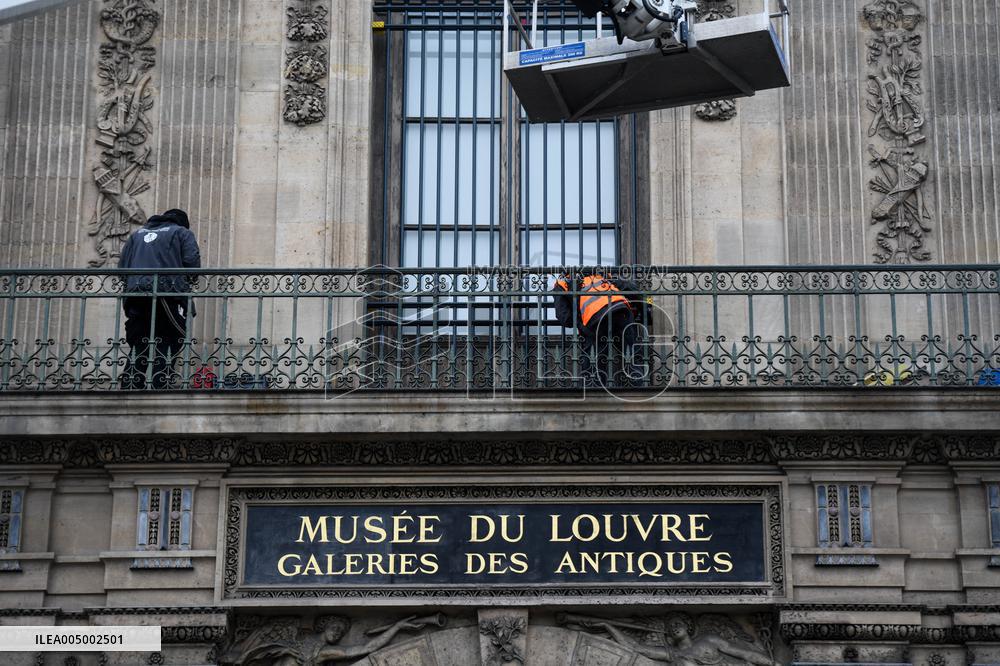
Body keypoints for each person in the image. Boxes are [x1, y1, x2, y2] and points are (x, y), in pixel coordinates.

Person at [117, 209, 200, 389]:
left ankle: (131, 384)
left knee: (140, 340)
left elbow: (122, 267)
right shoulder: (181, 232)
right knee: (170, 336)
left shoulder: (137, 234)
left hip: (135, 295)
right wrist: (188, 281)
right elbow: (192, 263)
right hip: (167, 292)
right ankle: (160, 383)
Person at [552, 269, 641, 387]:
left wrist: (581, 326)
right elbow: (630, 288)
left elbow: (563, 316)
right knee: (631, 351)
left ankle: (594, 389)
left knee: (593, 357)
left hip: (595, 318)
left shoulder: (562, 282)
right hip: (621, 310)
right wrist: (646, 307)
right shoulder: (600, 273)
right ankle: (639, 386)